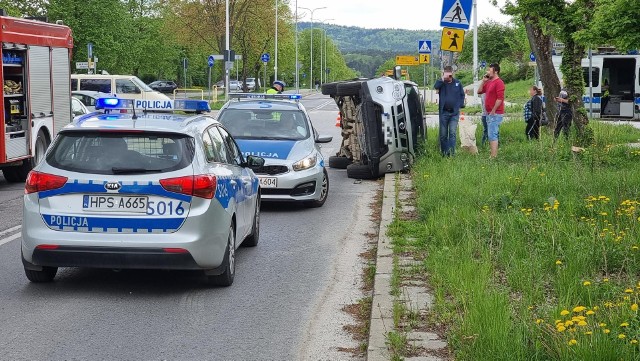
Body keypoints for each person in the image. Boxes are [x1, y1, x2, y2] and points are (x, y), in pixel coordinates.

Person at [434, 65, 465, 157]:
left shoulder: (457, 83)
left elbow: (462, 95)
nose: (448, 77)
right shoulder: (442, 83)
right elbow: (435, 86)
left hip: (454, 113)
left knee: (452, 133)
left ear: (452, 73)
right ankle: (444, 153)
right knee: (443, 134)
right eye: (446, 74)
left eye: (450, 74)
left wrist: (459, 105)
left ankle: (452, 153)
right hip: (444, 112)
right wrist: (443, 78)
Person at [477, 63, 505, 158]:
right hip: (488, 112)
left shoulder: (499, 82)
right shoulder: (489, 82)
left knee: (492, 134)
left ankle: (493, 156)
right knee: (490, 134)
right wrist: (483, 81)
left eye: (490, 70)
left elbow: (500, 98)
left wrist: (493, 110)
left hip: (495, 113)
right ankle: (492, 154)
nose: (488, 72)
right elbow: (479, 91)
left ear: (495, 71)